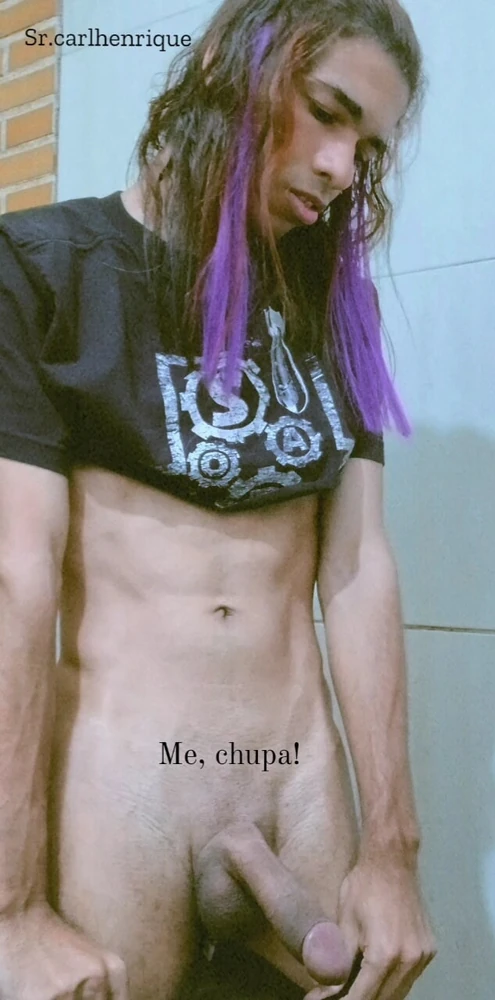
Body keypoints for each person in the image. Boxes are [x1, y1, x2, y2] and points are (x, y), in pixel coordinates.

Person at [0, 0, 437, 997]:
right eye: (326, 111)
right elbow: (16, 581)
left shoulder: (338, 302)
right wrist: (10, 905)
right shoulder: (36, 269)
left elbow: (358, 567)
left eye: (367, 148)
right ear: (224, 67)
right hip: (122, 798)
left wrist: (393, 848)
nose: (340, 167)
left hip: (301, 787)